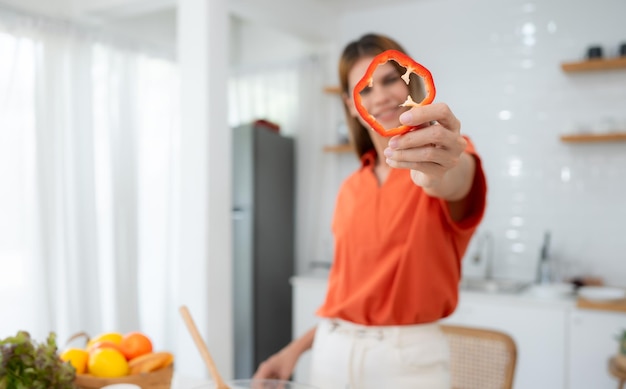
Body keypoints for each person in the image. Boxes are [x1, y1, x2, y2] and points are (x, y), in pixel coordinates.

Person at [253, 32, 487, 389]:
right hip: (331, 357)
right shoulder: (350, 189)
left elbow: (452, 178)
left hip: (409, 367)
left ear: (412, 81)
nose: (380, 96)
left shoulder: (446, 155)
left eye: (390, 79)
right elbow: (348, 301)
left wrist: (436, 168)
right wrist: (293, 351)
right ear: (350, 105)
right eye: (364, 88)